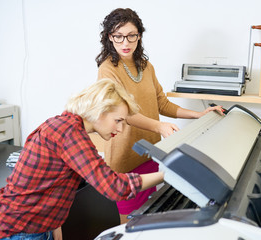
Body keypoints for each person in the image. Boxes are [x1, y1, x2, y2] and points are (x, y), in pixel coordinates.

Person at [0, 79, 164, 240]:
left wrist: (54, 226)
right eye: (117, 120)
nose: (120, 129)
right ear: (99, 111)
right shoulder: (70, 133)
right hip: (20, 230)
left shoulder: (63, 124)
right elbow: (115, 187)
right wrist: (166, 175)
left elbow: (51, 185)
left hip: (29, 224)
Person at [95, 8, 224, 223]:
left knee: (150, 218)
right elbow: (123, 113)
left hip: (150, 153)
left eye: (131, 36)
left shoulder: (146, 66)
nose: (125, 43)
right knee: (130, 225)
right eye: (118, 36)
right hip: (125, 158)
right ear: (109, 37)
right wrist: (159, 127)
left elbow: (161, 103)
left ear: (139, 35)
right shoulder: (107, 69)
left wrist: (199, 114)